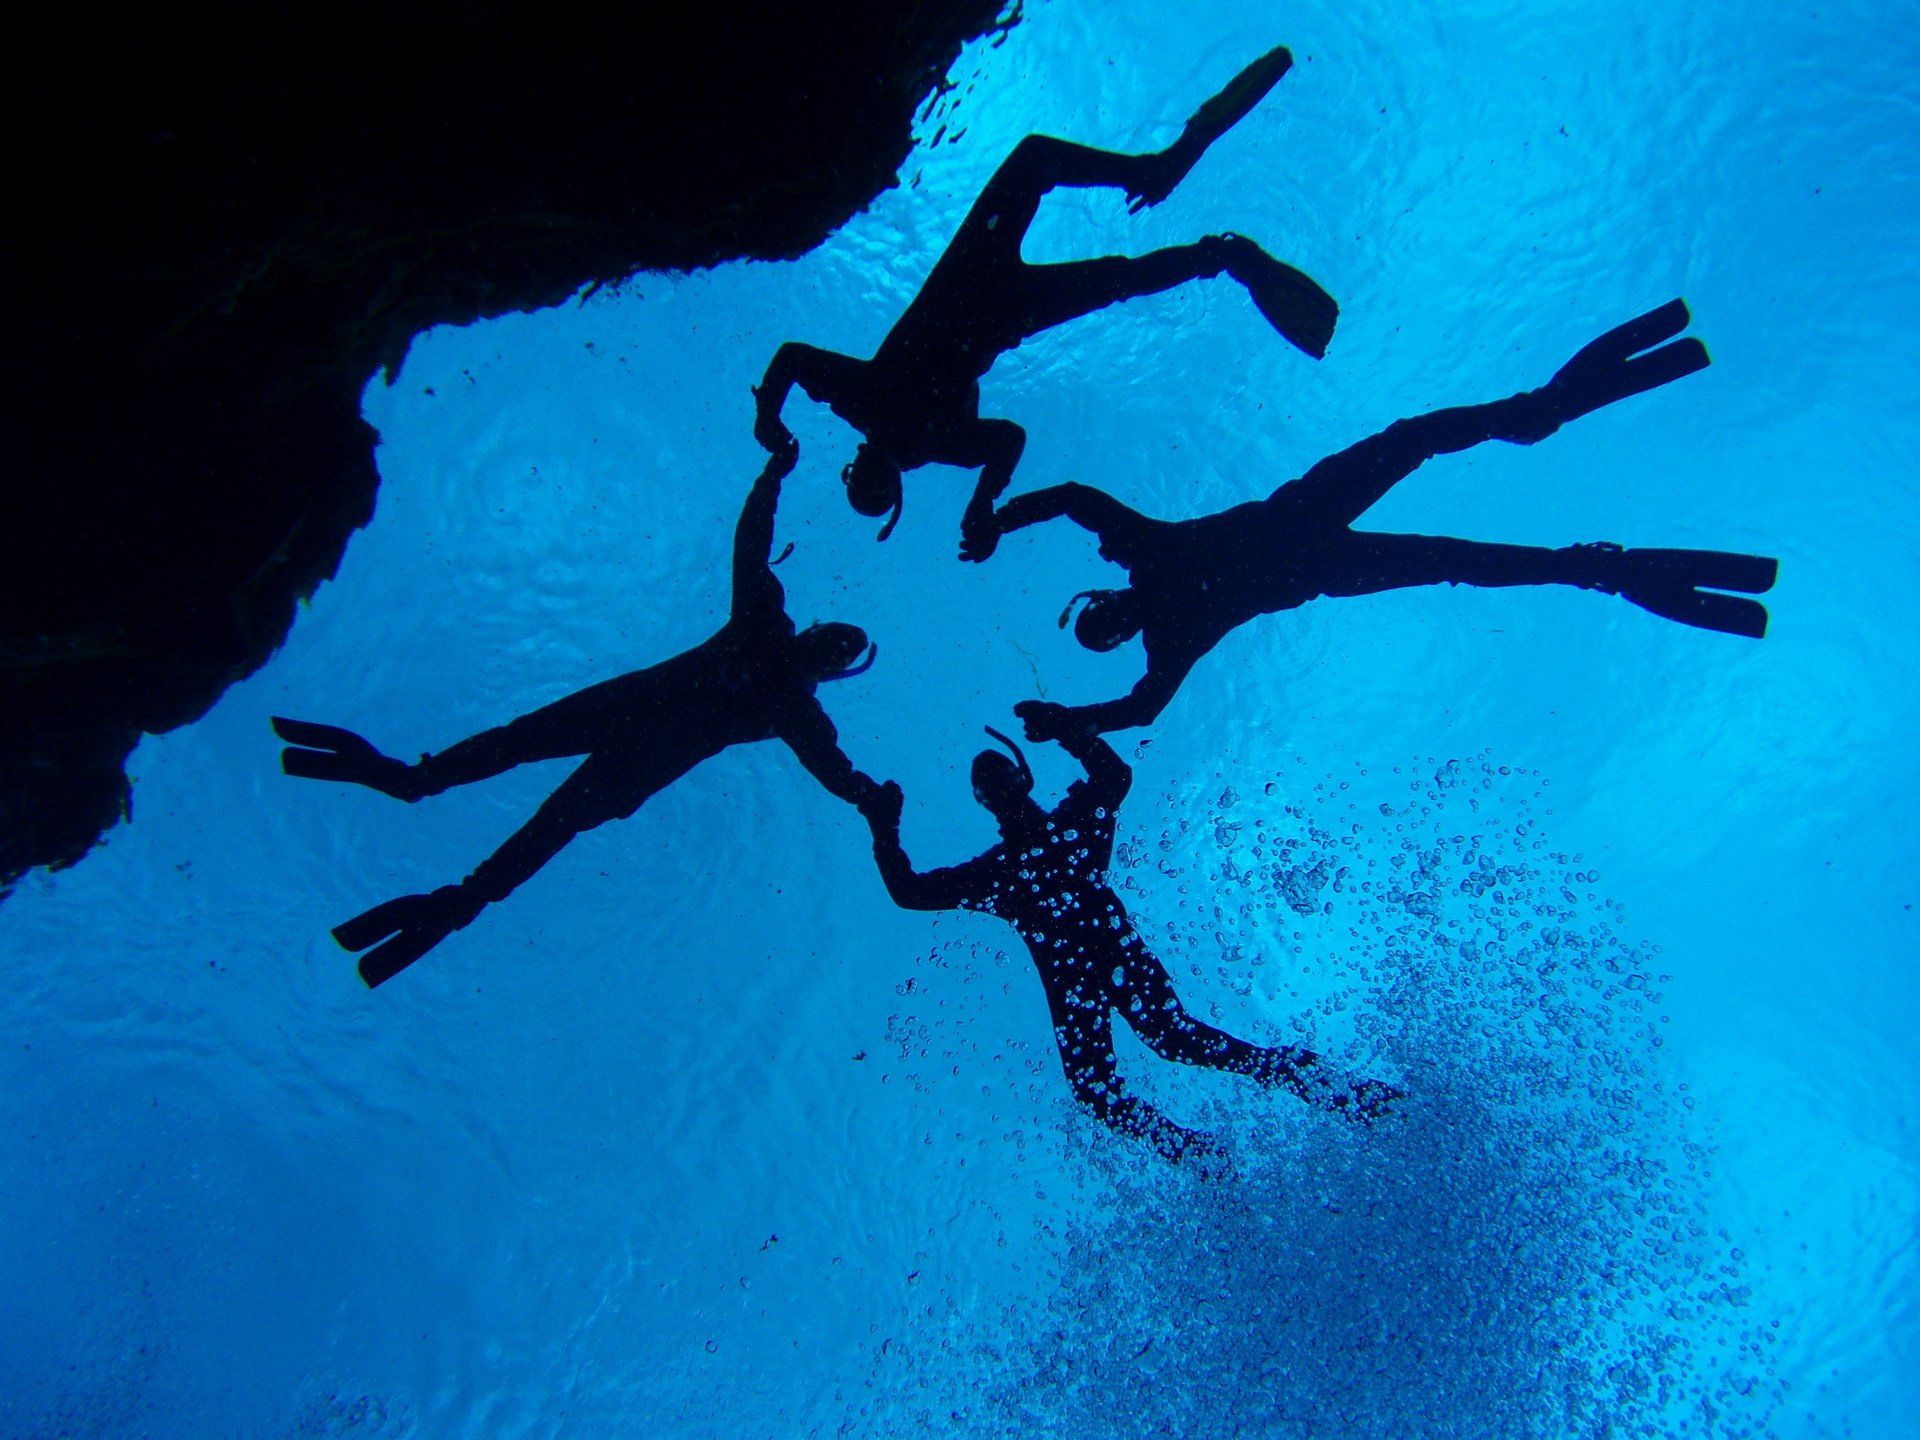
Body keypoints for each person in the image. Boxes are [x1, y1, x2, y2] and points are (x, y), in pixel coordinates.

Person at [984, 299, 1780, 738]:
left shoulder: (1150, 572)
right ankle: (1586, 546)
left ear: (1103, 604)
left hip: (1312, 529)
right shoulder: (1161, 605)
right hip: (1320, 550)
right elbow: (1141, 702)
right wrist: (1067, 719)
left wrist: (999, 517)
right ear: (1116, 621)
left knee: (1425, 469)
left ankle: (1551, 451)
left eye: (1102, 619)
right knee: (1446, 522)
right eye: (1109, 627)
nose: (1116, 619)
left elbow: (1073, 501)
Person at [274, 442, 885, 986]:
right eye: (832, 638)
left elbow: (832, 765)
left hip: (630, 721)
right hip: (639, 741)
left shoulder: (780, 664)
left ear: (823, 657)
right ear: (818, 642)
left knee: (535, 784)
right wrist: (870, 801)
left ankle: (435, 837)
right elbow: (752, 548)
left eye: (833, 646)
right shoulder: (784, 676)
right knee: (540, 794)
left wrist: (773, 476)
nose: (824, 645)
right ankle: (437, 842)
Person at [752, 43, 1337, 561]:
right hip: (993, 303)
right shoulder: (897, 422)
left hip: (975, 285)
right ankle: (1212, 245)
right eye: (875, 488)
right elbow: (1006, 439)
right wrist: (981, 503)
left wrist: (770, 417)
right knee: (1106, 259)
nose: (868, 474)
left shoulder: (872, 408)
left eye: (857, 480)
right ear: (893, 487)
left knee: (1078, 221)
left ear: (852, 467)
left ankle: (1184, 209)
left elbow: (792, 359)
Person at [857, 720, 1398, 1166]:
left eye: (994, 781)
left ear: (1003, 789)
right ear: (1007, 787)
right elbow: (1114, 776)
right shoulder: (1057, 835)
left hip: (1082, 972)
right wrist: (1067, 731)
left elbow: (910, 891)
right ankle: (1221, 1140)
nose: (996, 791)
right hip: (1100, 963)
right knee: (1136, 1064)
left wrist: (884, 826)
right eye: (990, 785)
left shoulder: (1012, 865)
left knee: (1143, 1060)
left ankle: (1230, 1137)